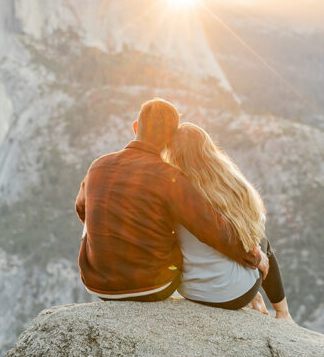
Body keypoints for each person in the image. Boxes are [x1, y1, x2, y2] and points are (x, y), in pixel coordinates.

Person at [75, 98, 265, 302]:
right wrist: (254, 257)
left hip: (96, 283)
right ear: (171, 138)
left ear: (136, 127)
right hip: (152, 286)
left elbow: (81, 208)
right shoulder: (171, 177)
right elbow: (211, 228)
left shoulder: (98, 166)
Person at [164, 122, 293, 321]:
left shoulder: (173, 191)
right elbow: (256, 227)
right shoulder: (231, 183)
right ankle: (283, 314)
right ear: (208, 148)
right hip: (234, 296)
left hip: (191, 291)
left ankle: (253, 294)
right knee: (262, 243)